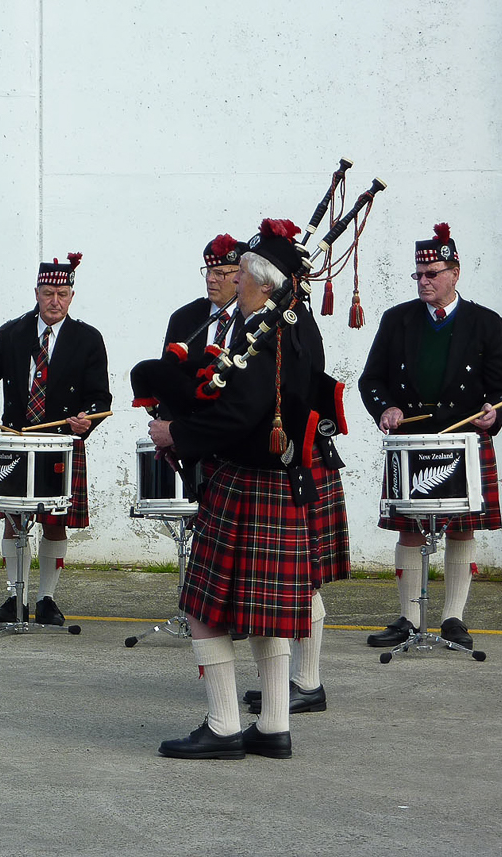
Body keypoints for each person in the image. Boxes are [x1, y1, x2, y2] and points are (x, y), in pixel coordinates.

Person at [150, 218, 331, 760]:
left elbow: (239, 413)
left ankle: (224, 724)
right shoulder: (297, 330)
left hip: (247, 482)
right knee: (267, 612)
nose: (238, 284)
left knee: (203, 607)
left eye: (247, 276)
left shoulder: (262, 337)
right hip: (280, 483)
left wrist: (175, 433)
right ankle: (273, 725)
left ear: (265, 285)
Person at [359, 223, 502, 651]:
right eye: (419, 276)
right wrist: (385, 408)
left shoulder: (485, 322)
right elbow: (371, 379)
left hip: (463, 438)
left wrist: (491, 415)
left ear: (455, 273)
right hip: (411, 439)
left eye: (433, 274)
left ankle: (452, 619)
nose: (424, 282)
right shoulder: (397, 320)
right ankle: (409, 619)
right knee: (409, 531)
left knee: (462, 530)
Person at [0, 253, 111, 626]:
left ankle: (46, 598)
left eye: (62, 293)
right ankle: (16, 598)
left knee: (54, 522)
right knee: (13, 523)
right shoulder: (13, 333)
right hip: (16, 441)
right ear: (36, 292)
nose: (54, 301)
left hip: (60, 443)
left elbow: (101, 398)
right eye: (48, 292)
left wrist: (85, 422)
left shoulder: (88, 339)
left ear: (72, 295)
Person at [162, 234, 243, 369]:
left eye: (219, 273)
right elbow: (166, 372)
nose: (210, 279)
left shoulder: (252, 317)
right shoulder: (184, 318)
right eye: (208, 272)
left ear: (239, 276)